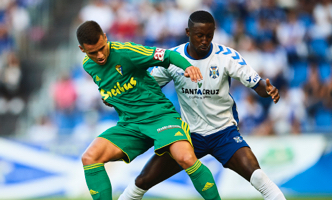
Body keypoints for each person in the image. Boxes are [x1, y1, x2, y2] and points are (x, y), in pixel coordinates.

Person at [116, 11, 286, 200]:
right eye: (199, 35)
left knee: (259, 177)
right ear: (188, 32)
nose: (205, 40)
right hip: (189, 136)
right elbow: (147, 87)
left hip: (224, 133)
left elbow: (258, 85)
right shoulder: (172, 58)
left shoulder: (227, 57)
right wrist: (119, 95)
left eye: (209, 35)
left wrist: (268, 88)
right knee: (142, 181)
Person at [77, 20, 221, 200]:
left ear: (105, 37)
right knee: (90, 157)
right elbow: (110, 84)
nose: (99, 55)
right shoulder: (87, 65)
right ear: (82, 49)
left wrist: (188, 67)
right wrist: (109, 98)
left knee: (185, 158)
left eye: (101, 48)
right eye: (93, 52)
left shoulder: (126, 52)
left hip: (159, 116)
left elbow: (166, 55)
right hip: (130, 125)